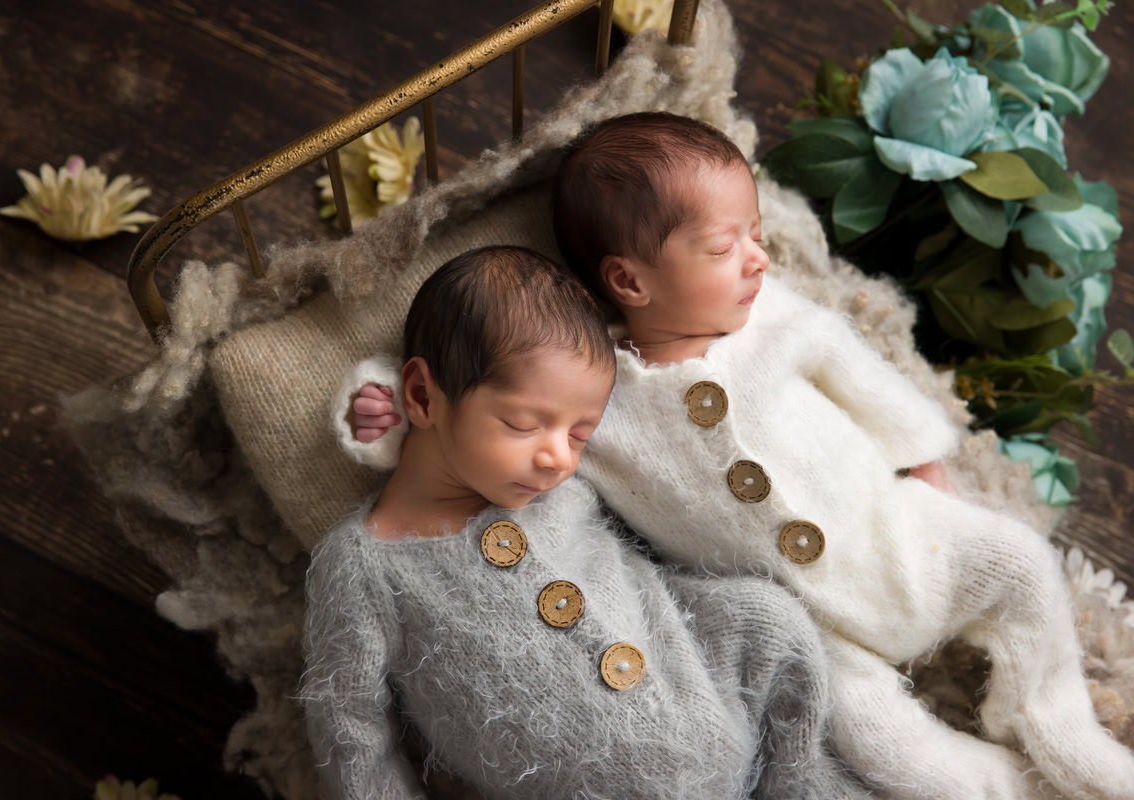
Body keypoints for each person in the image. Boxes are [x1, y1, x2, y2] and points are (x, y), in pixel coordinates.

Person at [347, 113, 1134, 800]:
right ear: (631, 279)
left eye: (756, 235)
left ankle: (1058, 727)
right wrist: (389, 405)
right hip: (820, 630)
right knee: (879, 742)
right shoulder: (596, 405)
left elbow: (868, 384)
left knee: (1021, 562)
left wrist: (928, 470)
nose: (759, 259)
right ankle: (1002, 787)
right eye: (728, 245)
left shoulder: (778, 323)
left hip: (902, 539)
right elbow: (479, 397)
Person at [302, 245, 864, 800]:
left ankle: (801, 785)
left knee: (771, 621)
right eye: (523, 424)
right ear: (422, 395)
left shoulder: (559, 491)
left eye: (579, 433)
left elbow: (659, 531)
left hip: (705, 692)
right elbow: (350, 729)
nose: (558, 458)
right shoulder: (365, 563)